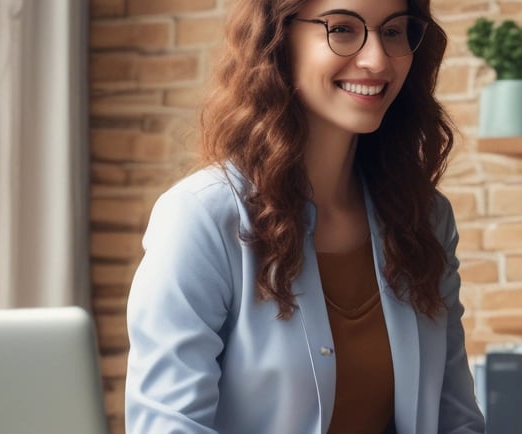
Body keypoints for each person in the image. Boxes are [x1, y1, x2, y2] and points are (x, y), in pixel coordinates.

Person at [123, 0, 486, 432]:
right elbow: (168, 424)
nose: (376, 60)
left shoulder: (425, 219)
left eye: (394, 31)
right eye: (343, 29)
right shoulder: (201, 218)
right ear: (277, 39)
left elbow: (456, 419)